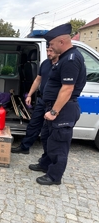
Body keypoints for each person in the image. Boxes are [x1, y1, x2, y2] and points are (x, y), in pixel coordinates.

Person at [28, 23, 86, 185]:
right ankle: (45, 164)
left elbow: (67, 89)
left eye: (52, 44)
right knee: (47, 138)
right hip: (53, 107)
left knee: (58, 144)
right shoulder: (64, 58)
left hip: (62, 110)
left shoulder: (71, 59)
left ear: (61, 41)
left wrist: (54, 112)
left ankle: (54, 176)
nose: (50, 48)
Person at [11, 46, 59, 154]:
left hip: (55, 102)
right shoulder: (46, 63)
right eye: (47, 51)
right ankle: (24, 147)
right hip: (42, 100)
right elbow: (38, 80)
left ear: (58, 51)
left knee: (50, 130)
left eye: (51, 51)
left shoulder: (63, 65)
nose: (48, 53)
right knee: (33, 124)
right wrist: (29, 95)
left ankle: (48, 156)